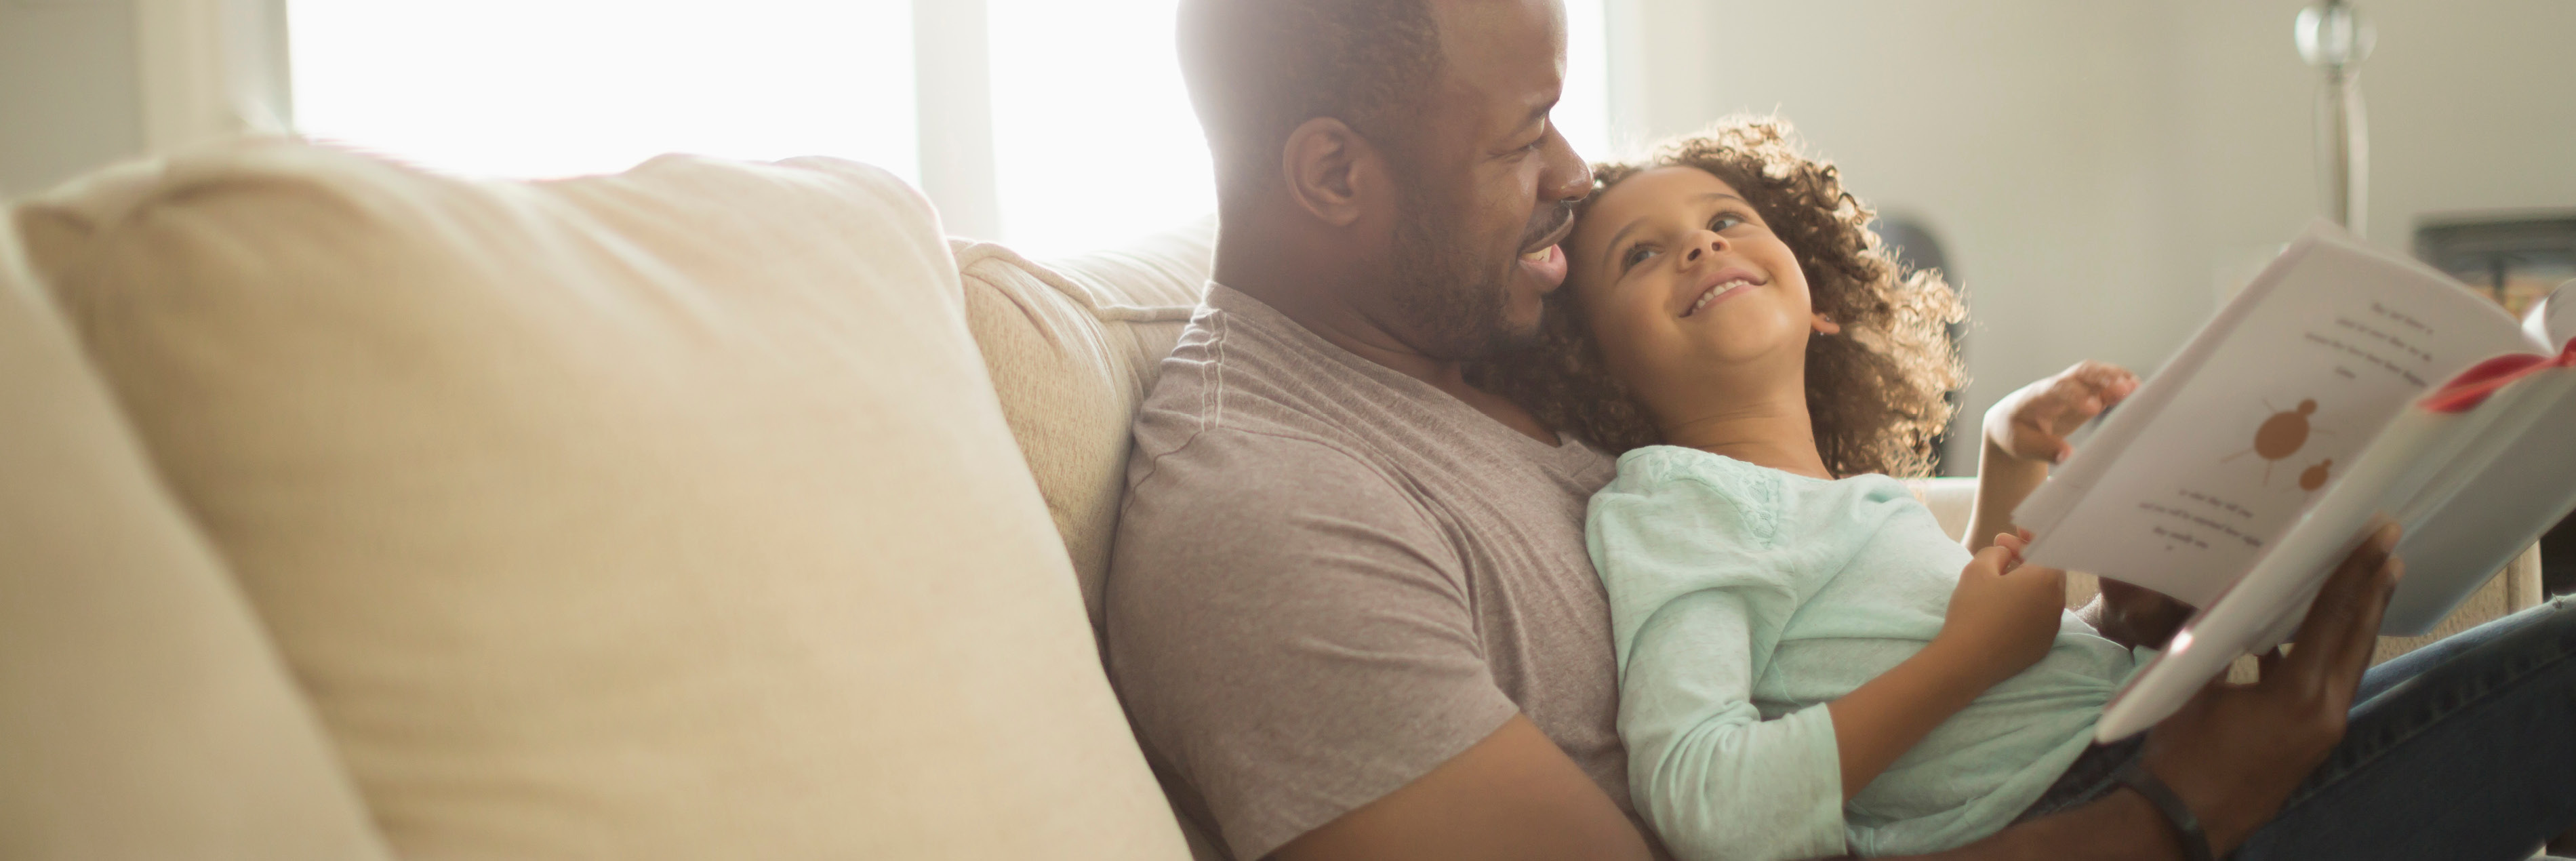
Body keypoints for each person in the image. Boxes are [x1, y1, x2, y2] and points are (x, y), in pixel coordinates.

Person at [1102, 1, 2576, 860]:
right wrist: (2181, 808)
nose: (1570, 175)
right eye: (1520, 137)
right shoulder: (1269, 517)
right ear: (1333, 177)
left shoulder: (1476, 342)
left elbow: (1818, 573)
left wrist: (2106, 599)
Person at [1468, 119, 2150, 858]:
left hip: (2126, 725)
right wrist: (1967, 657)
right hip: (2076, 793)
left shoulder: (1834, 501)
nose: (1702, 246)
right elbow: (1705, 798)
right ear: (1592, 364)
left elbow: (1945, 624)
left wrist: (2007, 451)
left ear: (1818, 298)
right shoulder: (1683, 507)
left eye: (1724, 219)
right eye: (1640, 254)